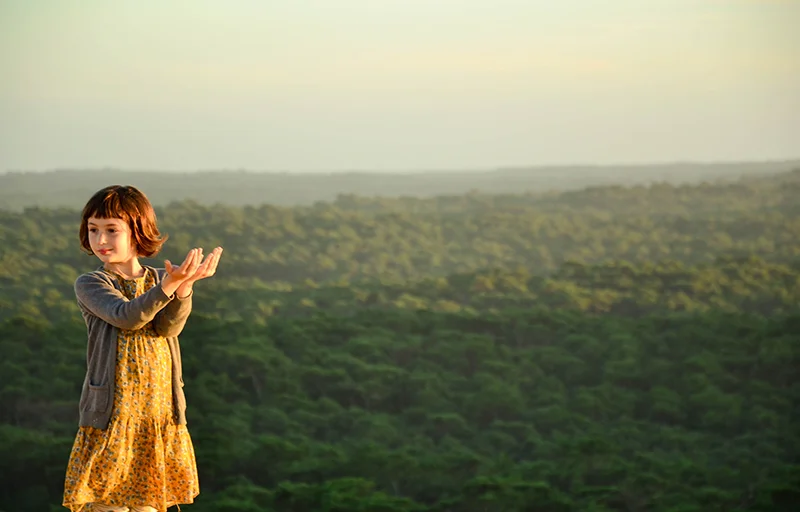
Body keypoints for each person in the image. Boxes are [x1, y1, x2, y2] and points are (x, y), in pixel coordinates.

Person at [62, 185, 223, 512]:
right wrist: (169, 286)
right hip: (113, 418)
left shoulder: (163, 278)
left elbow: (169, 327)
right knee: (107, 505)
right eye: (93, 230)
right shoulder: (92, 283)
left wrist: (184, 288)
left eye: (111, 230)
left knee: (150, 506)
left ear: (137, 232)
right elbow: (127, 317)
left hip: (156, 415)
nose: (101, 240)